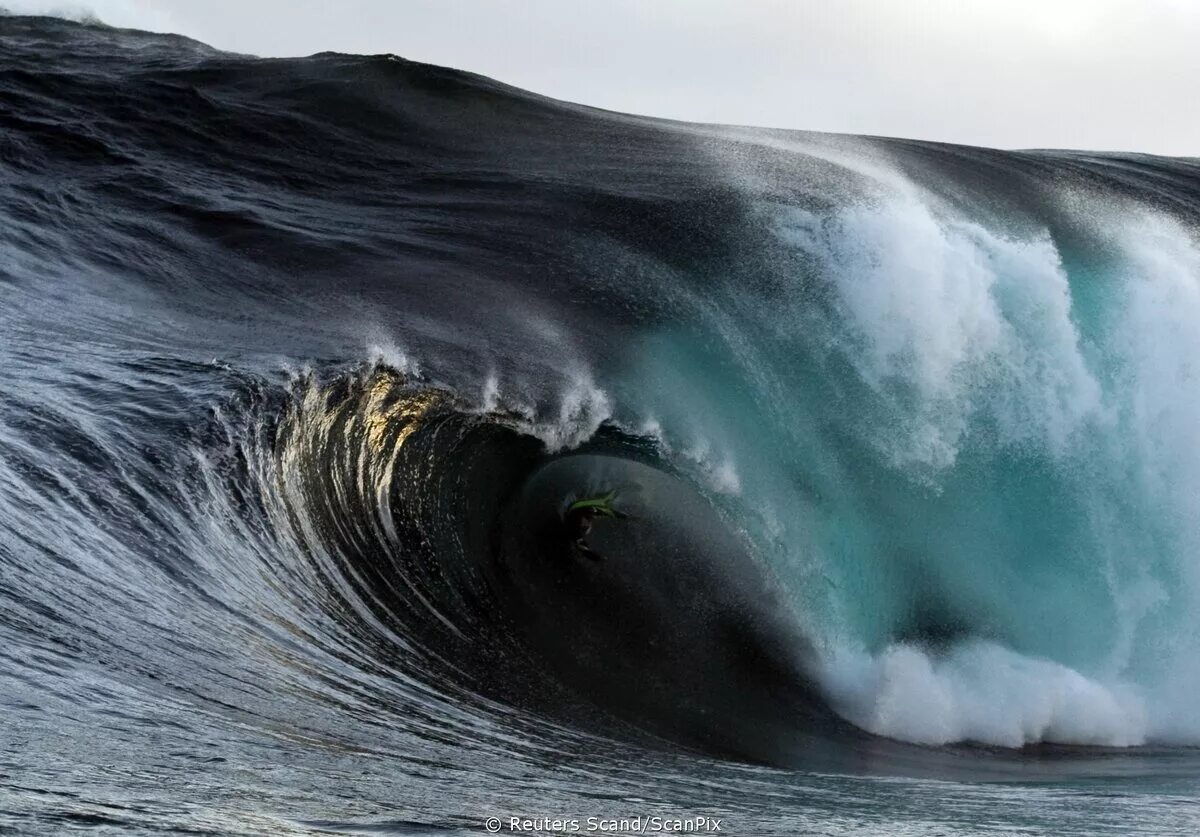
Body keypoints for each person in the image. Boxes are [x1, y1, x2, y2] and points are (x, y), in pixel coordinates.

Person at [564, 490, 627, 561]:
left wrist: (623, 516)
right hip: (574, 510)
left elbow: (606, 512)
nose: (589, 521)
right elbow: (582, 547)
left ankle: (618, 490)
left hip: (581, 505)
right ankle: (615, 492)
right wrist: (597, 558)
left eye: (590, 519)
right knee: (604, 502)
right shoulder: (573, 526)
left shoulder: (588, 512)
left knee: (604, 504)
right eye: (588, 518)